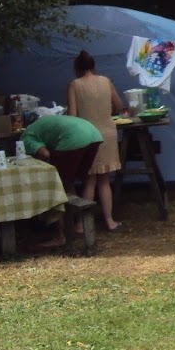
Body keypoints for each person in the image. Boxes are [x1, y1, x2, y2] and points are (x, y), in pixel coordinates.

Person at [21, 114, 103, 248]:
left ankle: (60, 235)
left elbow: (44, 154)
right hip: (93, 134)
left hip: (73, 138)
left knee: (58, 187)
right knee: (68, 183)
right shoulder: (40, 126)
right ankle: (74, 225)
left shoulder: (26, 138)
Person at [67, 50, 124, 231]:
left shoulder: (75, 85)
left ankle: (81, 224)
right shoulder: (106, 81)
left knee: (90, 180)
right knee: (104, 180)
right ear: (93, 66)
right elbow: (119, 106)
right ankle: (110, 221)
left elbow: (72, 116)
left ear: (77, 69)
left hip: (88, 136)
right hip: (107, 134)